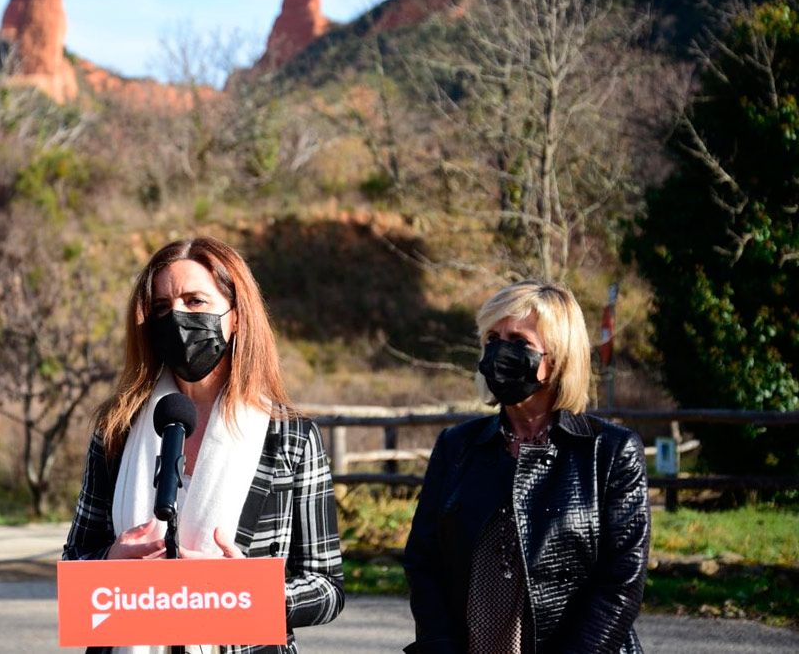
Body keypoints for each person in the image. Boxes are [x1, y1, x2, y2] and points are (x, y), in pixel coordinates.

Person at [63, 237, 344, 653]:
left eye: (195, 301)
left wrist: (244, 593)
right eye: (162, 307)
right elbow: (75, 562)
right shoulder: (117, 429)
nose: (176, 317)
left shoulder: (290, 438)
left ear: (236, 316)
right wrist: (109, 563)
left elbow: (327, 587)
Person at [404, 280, 650, 653]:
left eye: (519, 343)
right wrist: (439, 645)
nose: (501, 353)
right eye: (492, 339)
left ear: (559, 356)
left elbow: (621, 582)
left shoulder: (609, 452)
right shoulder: (456, 447)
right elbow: (424, 562)